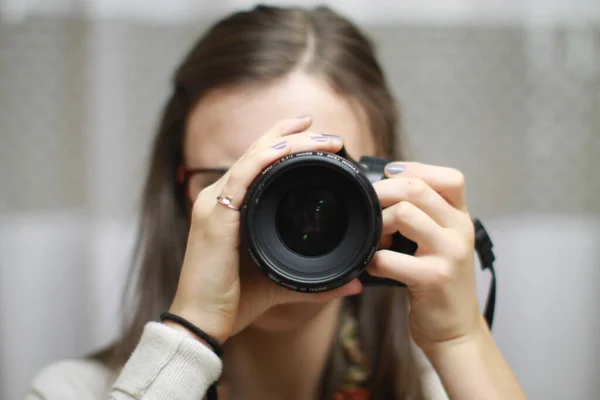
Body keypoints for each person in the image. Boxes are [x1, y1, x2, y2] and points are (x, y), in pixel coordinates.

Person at [27, 5, 526, 400]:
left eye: (324, 174)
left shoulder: (443, 387)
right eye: (234, 180)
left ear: (387, 185)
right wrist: (189, 338)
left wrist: (462, 342)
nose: (280, 210)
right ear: (181, 197)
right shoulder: (70, 392)